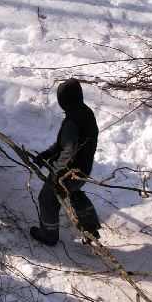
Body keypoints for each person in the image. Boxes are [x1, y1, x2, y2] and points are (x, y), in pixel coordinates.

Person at [28, 80, 102, 247]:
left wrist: (58, 173)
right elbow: (64, 143)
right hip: (83, 169)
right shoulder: (85, 113)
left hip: (68, 172)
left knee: (47, 198)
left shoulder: (71, 121)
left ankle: (48, 234)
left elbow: (69, 149)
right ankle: (91, 229)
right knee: (74, 194)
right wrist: (47, 154)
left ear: (64, 100)